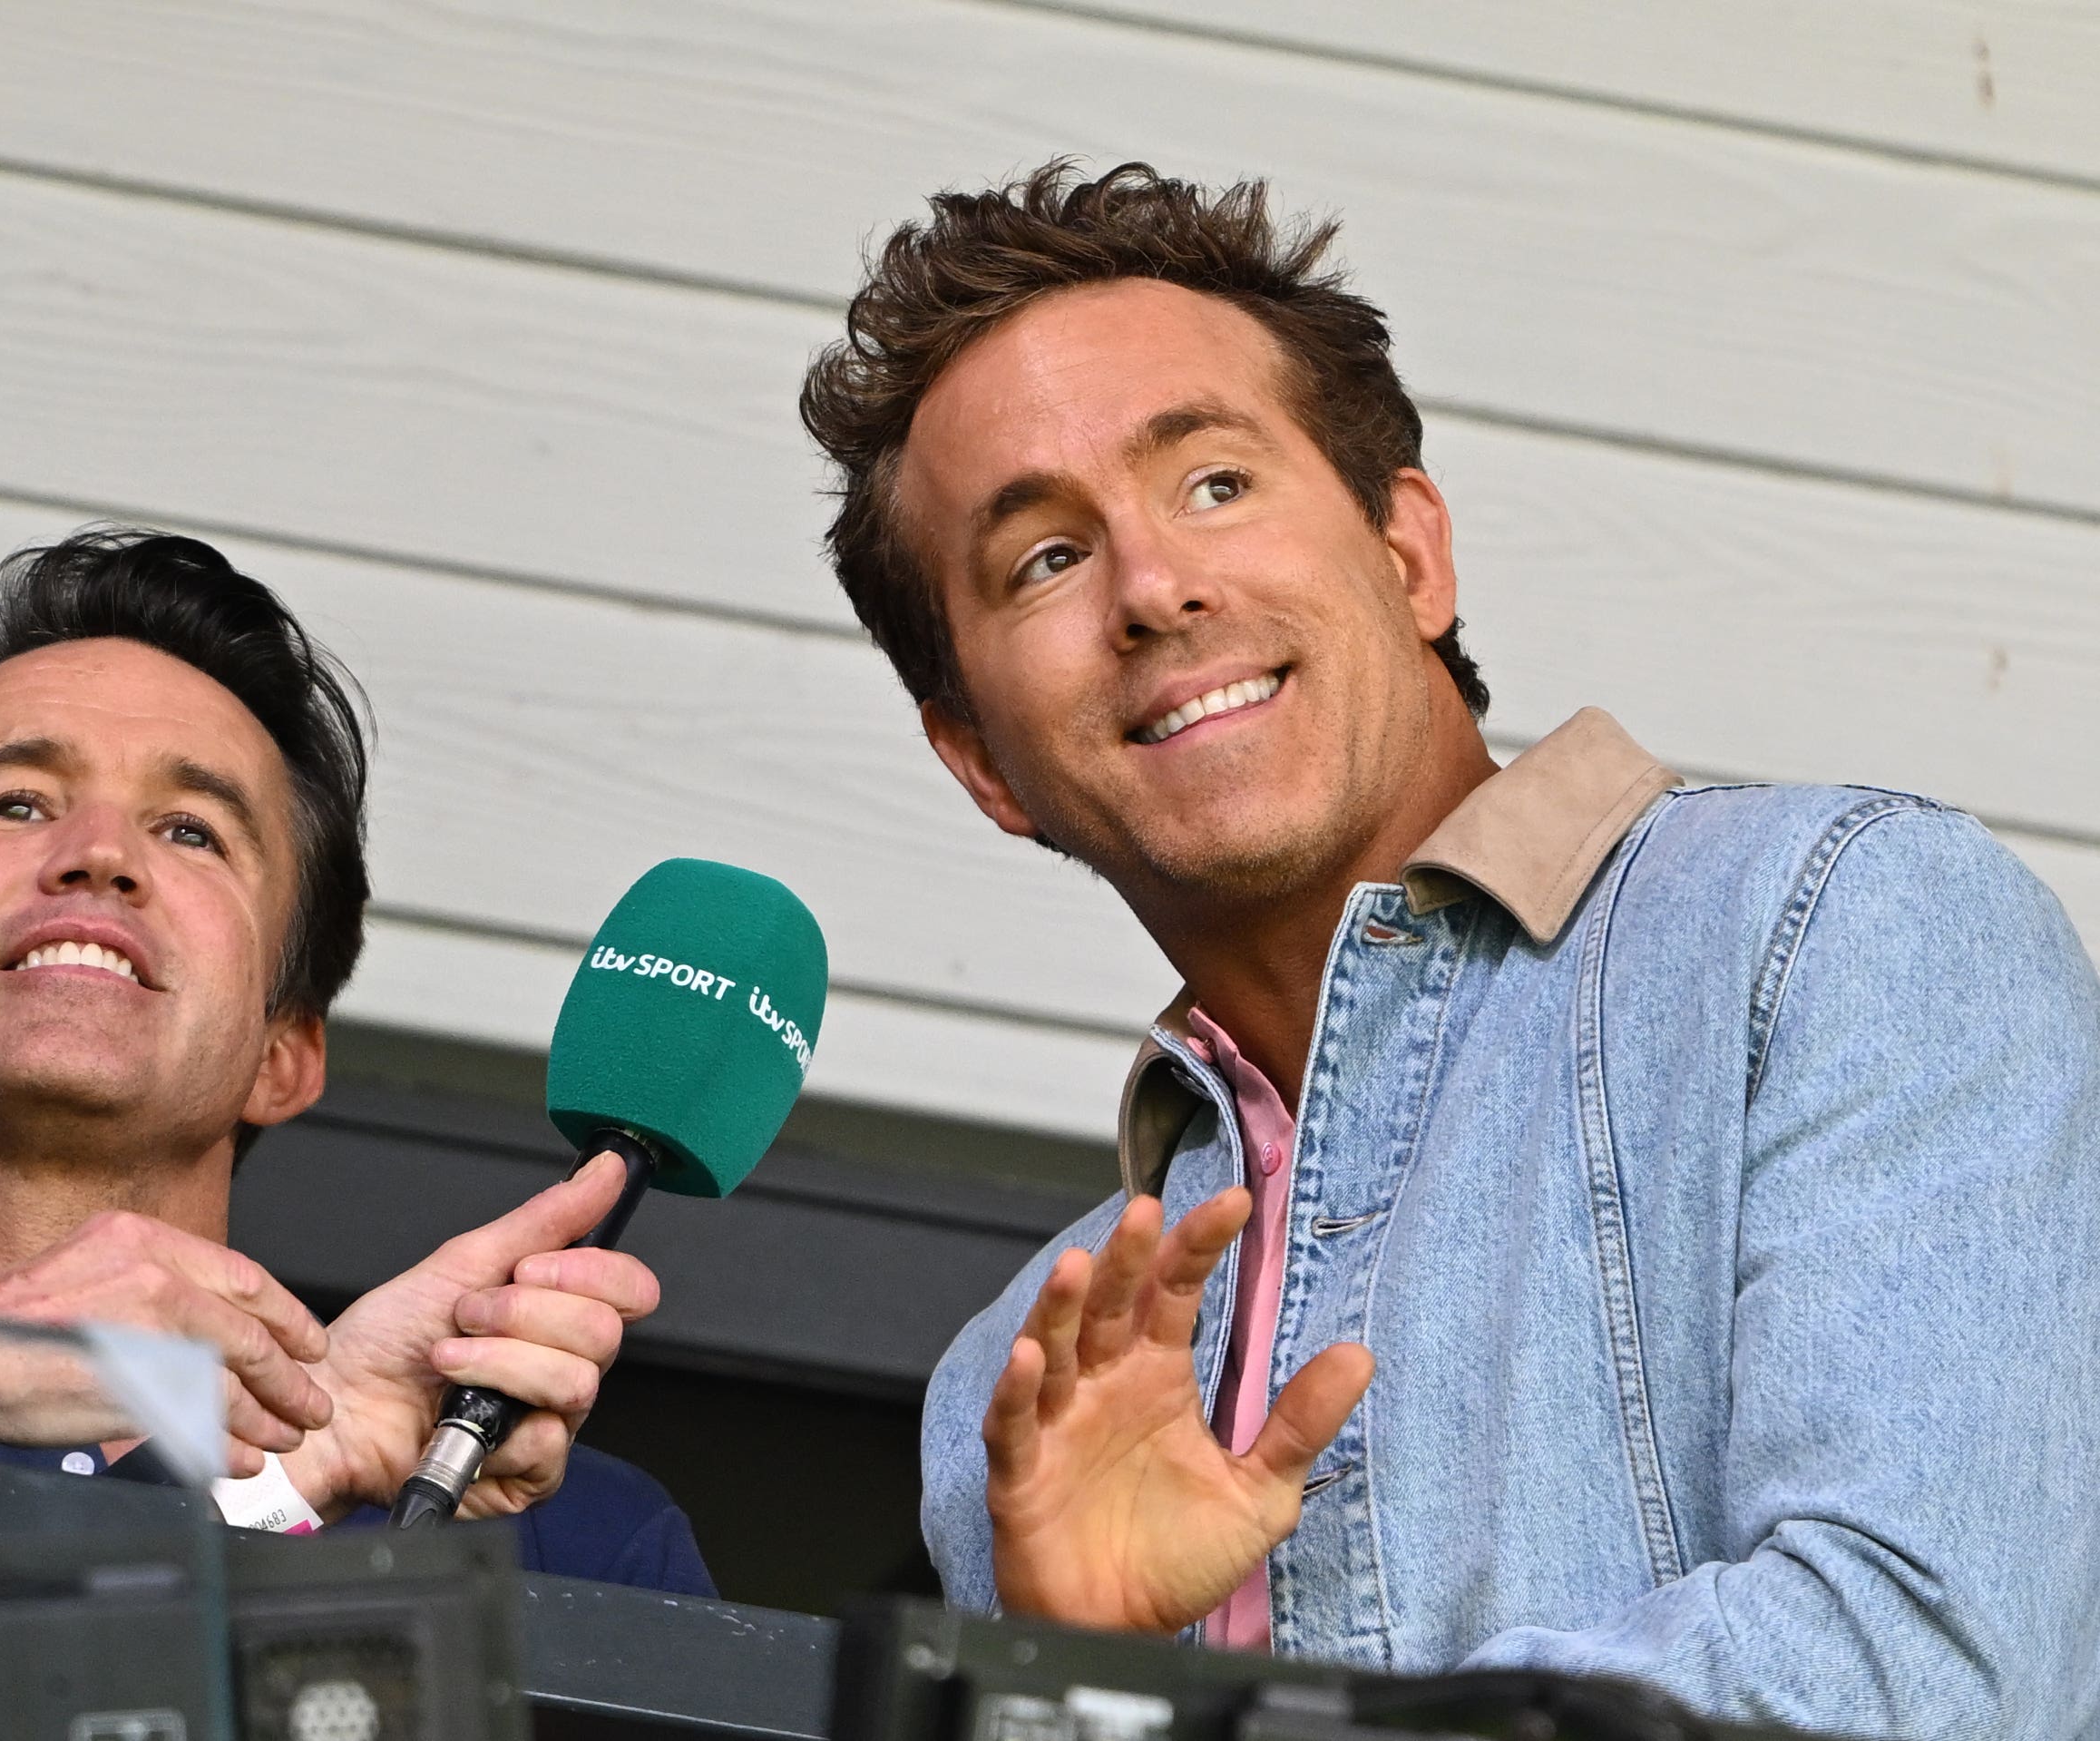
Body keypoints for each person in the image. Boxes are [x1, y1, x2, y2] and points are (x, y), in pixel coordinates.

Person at [796, 161, 2100, 1735]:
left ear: (1408, 551)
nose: (1153, 586)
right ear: (981, 761)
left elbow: (1926, 1677)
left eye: (1212, 481)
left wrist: (1206, 1720)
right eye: (1043, 560)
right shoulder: (1004, 1386)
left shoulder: (1834, 926)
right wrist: (1074, 1679)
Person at [0, 527, 708, 1591]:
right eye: (17, 801)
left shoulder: (581, 1546)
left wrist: (292, 1465)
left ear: (285, 1051)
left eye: (191, 829)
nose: (98, 854)